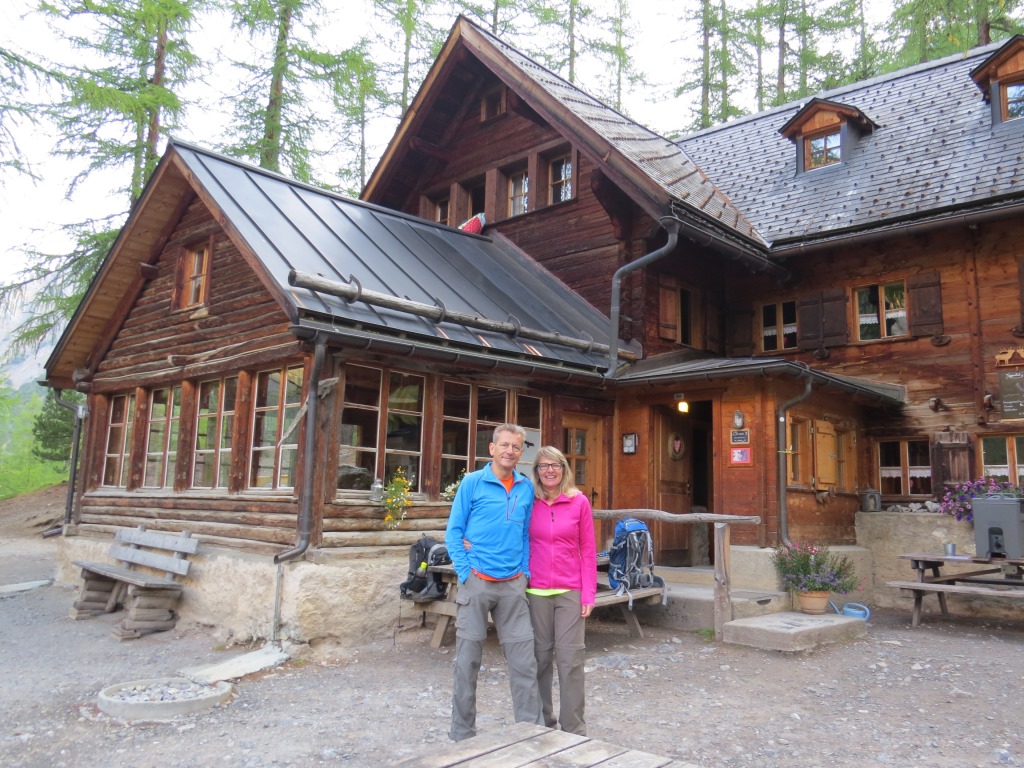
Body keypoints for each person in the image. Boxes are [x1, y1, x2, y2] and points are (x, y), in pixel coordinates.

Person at [444, 423, 543, 742]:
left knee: (525, 663)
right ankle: (463, 735)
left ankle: (532, 734)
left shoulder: (526, 488)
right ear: (492, 449)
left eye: (516, 447)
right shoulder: (472, 482)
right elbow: (453, 532)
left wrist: (524, 572)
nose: (510, 451)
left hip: (513, 585)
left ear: (521, 451)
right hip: (477, 583)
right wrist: (465, 573)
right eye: (504, 445)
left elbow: (525, 534)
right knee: (467, 662)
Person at [525, 446, 597, 735]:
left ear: (564, 469)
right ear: (537, 471)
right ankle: (543, 724)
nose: (549, 470)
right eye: (543, 466)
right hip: (536, 591)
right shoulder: (529, 501)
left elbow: (588, 549)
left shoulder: (579, 501)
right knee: (539, 659)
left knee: (570, 660)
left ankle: (574, 730)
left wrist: (588, 593)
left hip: (570, 590)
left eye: (555, 465)